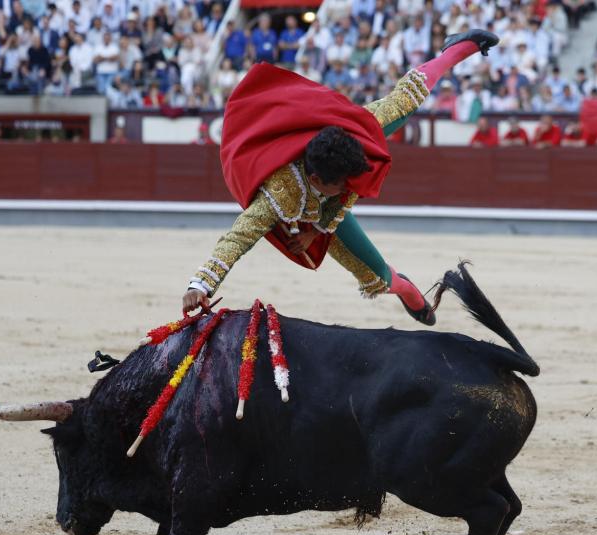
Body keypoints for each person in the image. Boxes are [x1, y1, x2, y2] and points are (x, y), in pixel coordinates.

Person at [182, 30, 501, 326]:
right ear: (318, 178)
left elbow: (401, 100)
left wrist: (461, 51)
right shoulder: (280, 193)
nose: (350, 188)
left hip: (329, 190)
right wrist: (201, 284)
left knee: (403, 102)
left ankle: (458, 47)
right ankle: (406, 290)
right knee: (377, 278)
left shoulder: (356, 136)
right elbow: (238, 238)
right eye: (341, 183)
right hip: (311, 211)